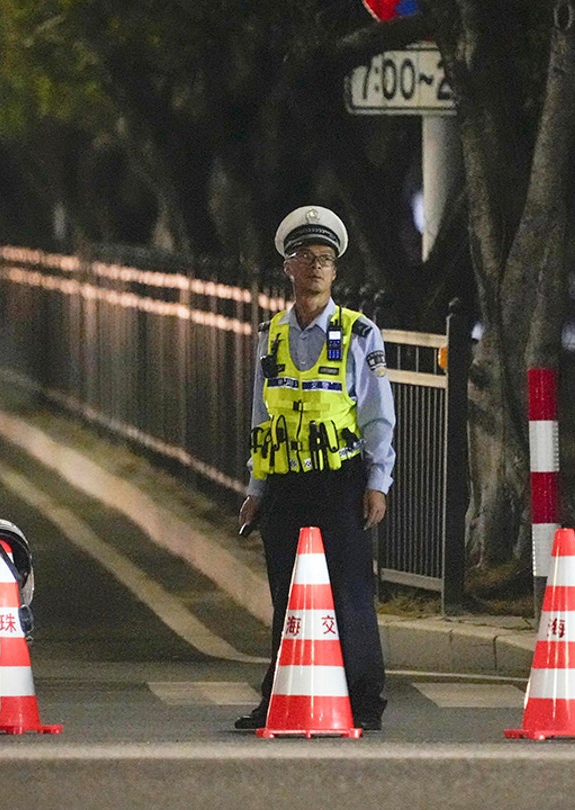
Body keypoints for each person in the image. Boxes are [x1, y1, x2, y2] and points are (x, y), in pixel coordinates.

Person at [235, 205, 395, 732]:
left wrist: (377, 482)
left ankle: (364, 700)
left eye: (325, 259)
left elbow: (377, 415)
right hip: (284, 483)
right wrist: (256, 487)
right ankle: (278, 697)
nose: (316, 267)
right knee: (286, 596)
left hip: (339, 481)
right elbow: (262, 415)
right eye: (306, 257)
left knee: (349, 592)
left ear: (335, 270)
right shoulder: (270, 334)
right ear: (288, 267)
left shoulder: (359, 333)